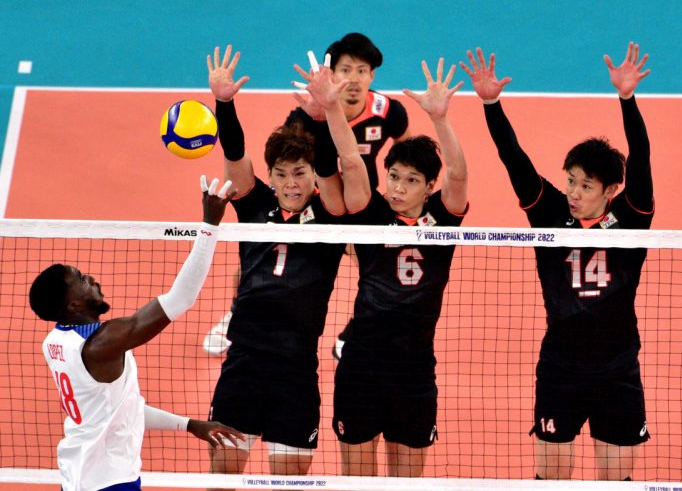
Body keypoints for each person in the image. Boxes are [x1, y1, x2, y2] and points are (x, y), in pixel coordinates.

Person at [460, 42, 653, 480]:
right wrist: (491, 105)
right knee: (549, 483)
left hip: (618, 369)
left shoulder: (632, 217)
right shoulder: (550, 213)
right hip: (560, 369)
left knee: (618, 485)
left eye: (586, 185)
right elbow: (515, 160)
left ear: (609, 191)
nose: (574, 191)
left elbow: (640, 158)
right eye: (570, 181)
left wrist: (627, 99)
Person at [300, 54, 468, 477]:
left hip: (414, 370)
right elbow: (351, 162)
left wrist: (440, 120)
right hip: (361, 366)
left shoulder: (443, 220)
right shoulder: (371, 213)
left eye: (411, 181)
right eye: (394, 176)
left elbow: (460, 175)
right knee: (358, 482)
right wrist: (331, 107)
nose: (398, 187)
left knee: (406, 485)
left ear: (429, 187)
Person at [204, 32, 410, 359]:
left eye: (362, 70)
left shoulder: (388, 111)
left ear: (372, 75)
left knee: (374, 265)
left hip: (357, 200)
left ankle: (358, 326)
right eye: (346, 69)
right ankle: (236, 310)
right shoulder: (302, 117)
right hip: (317, 191)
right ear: (331, 73)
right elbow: (283, 159)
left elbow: (404, 152)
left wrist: (396, 196)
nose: (353, 79)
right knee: (258, 246)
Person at [31, 176, 245, 491]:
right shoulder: (101, 344)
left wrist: (189, 425)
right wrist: (209, 226)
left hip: (78, 478)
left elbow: (122, 408)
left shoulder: (55, 342)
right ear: (74, 305)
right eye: (80, 278)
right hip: (109, 482)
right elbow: (180, 299)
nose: (89, 276)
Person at [204, 45, 347, 484]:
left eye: (300, 172)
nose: (290, 183)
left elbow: (330, 166)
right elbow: (234, 155)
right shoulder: (254, 205)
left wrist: (322, 114)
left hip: (296, 370)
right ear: (271, 177)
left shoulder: (331, 214)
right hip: (243, 363)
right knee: (225, 478)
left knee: (290, 481)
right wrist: (224, 104)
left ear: (314, 175)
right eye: (282, 174)